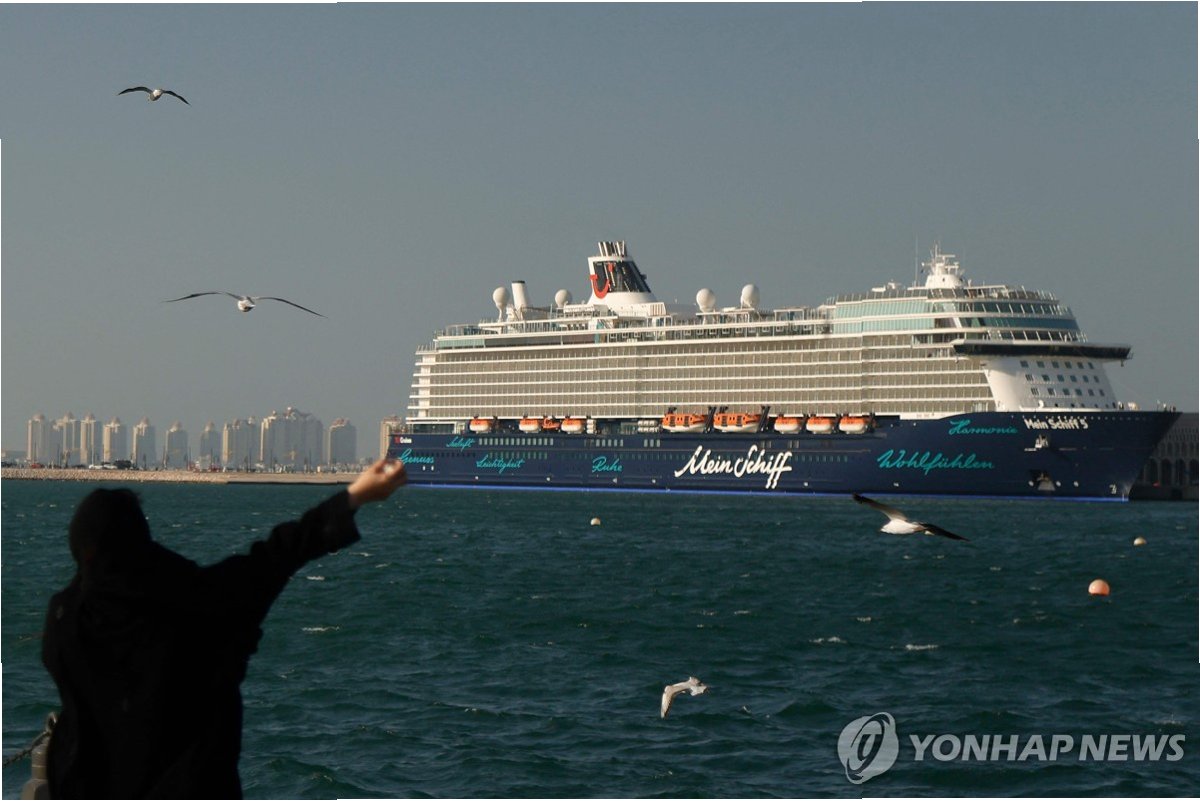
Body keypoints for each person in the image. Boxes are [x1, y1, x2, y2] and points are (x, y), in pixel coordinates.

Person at [40, 457, 409, 799]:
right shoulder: (203, 606)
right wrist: (355, 496)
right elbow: (279, 554)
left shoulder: (65, 622)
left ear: (82, 551)